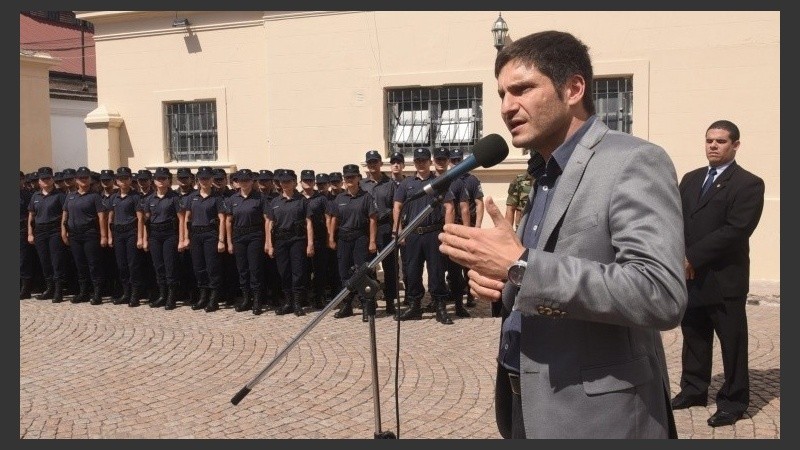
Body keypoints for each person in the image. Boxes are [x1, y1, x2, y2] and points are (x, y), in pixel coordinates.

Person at [438, 30, 687, 438]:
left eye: (522, 90)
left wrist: (519, 266)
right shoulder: (544, 172)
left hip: (601, 417)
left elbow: (659, 294)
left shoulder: (633, 161)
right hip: (526, 405)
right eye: (501, 94)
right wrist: (505, 284)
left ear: (573, 88)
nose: (506, 107)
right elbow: (546, 278)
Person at [671, 120, 765, 428]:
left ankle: (734, 401)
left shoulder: (749, 184)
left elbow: (736, 230)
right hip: (692, 277)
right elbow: (678, 219)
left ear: (735, 145)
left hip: (725, 279)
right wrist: (676, 255)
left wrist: (691, 257)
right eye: (710, 140)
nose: (713, 145)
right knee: (694, 337)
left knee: (732, 344)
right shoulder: (691, 179)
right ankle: (694, 390)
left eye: (721, 141)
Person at [393, 147, 455, 325]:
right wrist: (398, 230)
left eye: (424, 160)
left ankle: (440, 307)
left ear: (430, 162)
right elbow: (397, 206)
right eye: (418, 160)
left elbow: (449, 207)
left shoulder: (439, 182)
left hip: (434, 233)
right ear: (415, 162)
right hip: (412, 234)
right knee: (412, 271)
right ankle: (414, 306)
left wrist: (447, 231)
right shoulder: (406, 184)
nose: (421, 163)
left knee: (436, 271)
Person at [328, 163, 378, 320]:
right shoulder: (339, 198)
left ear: (358, 178)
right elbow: (334, 219)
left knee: (361, 272)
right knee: (344, 273)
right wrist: (331, 237)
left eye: (352, 177)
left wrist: (372, 241)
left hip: (360, 238)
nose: (349, 180)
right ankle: (347, 305)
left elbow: (372, 220)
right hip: (343, 238)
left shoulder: (366, 197)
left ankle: (365, 305)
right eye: (346, 177)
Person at [265, 169, 314, 316]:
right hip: (280, 240)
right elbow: (269, 224)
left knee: (298, 272)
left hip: (297, 240)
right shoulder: (275, 202)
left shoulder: (302, 201)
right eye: (282, 182)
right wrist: (269, 244)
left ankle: (298, 303)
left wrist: (310, 243)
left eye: (288, 181)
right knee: (284, 272)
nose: (285, 184)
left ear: (294, 182)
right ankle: (288, 302)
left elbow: (309, 223)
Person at [182, 166, 227, 313]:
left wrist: (221, 240)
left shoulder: (217, 197)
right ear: (198, 180)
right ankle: (203, 297)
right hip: (195, 235)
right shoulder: (192, 197)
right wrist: (186, 238)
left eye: (207, 178)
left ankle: (213, 300)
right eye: (202, 178)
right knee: (198, 267)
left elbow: (222, 219)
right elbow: (187, 218)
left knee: (212, 267)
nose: (204, 181)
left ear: (212, 179)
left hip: (210, 234)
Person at [139, 167, 185, 310]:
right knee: (158, 266)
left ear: (169, 181)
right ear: (154, 181)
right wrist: (145, 239)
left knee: (170, 266)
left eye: (163, 178)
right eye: (158, 178)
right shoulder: (149, 199)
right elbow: (145, 222)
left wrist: (182, 239)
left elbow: (182, 220)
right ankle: (162, 295)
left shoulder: (174, 198)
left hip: (169, 234)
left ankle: (171, 297)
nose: (161, 181)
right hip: (154, 235)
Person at [224, 168, 268, 314]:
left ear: (252, 181)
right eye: (240, 180)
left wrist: (267, 241)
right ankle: (246, 299)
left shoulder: (259, 198)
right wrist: (229, 242)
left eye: (247, 180)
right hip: (239, 236)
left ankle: (257, 301)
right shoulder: (233, 199)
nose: (244, 183)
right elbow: (229, 221)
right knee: (242, 269)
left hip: (255, 234)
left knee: (255, 268)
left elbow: (267, 220)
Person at [62, 166, 108, 305]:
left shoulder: (94, 196)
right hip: (74, 234)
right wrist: (64, 232)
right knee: (80, 264)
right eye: (81, 178)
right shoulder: (70, 196)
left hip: (90, 233)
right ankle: (83, 292)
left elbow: (101, 217)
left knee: (93, 264)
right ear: (76, 180)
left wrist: (104, 236)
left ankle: (97, 293)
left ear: (89, 179)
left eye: (86, 177)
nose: (83, 180)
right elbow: (65, 214)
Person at [360, 150, 398, 316]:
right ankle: (370, 301)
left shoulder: (390, 184)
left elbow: (396, 207)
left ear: (381, 163)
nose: (372, 165)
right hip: (367, 230)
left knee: (390, 268)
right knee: (368, 268)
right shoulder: (362, 184)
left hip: (385, 228)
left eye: (375, 162)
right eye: (370, 162)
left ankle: (390, 302)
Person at [26, 167, 66, 302]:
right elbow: (31, 216)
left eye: (48, 178)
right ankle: (49, 289)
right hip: (40, 232)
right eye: (43, 179)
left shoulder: (60, 195)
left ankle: (58, 290)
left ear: (52, 179)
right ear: (39, 181)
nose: (46, 181)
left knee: (57, 261)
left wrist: (63, 232)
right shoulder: (35, 196)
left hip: (54, 231)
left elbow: (65, 215)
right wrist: (30, 233)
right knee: (45, 261)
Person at [106, 167, 144, 306]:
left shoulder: (135, 197)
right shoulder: (113, 197)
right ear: (116, 181)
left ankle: (135, 295)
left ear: (130, 180)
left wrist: (140, 237)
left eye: (126, 178)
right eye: (120, 178)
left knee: (132, 264)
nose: (123, 181)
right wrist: (110, 236)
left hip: (131, 232)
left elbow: (140, 219)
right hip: (118, 232)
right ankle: (126, 293)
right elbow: (110, 218)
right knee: (121, 265)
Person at [300, 169, 330, 310]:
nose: (308, 183)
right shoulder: (297, 198)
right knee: (303, 271)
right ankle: (304, 298)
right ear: (300, 182)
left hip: (319, 238)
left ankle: (319, 298)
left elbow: (328, 218)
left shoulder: (321, 199)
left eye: (311, 181)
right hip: (301, 239)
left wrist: (329, 237)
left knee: (320, 271)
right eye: (305, 180)